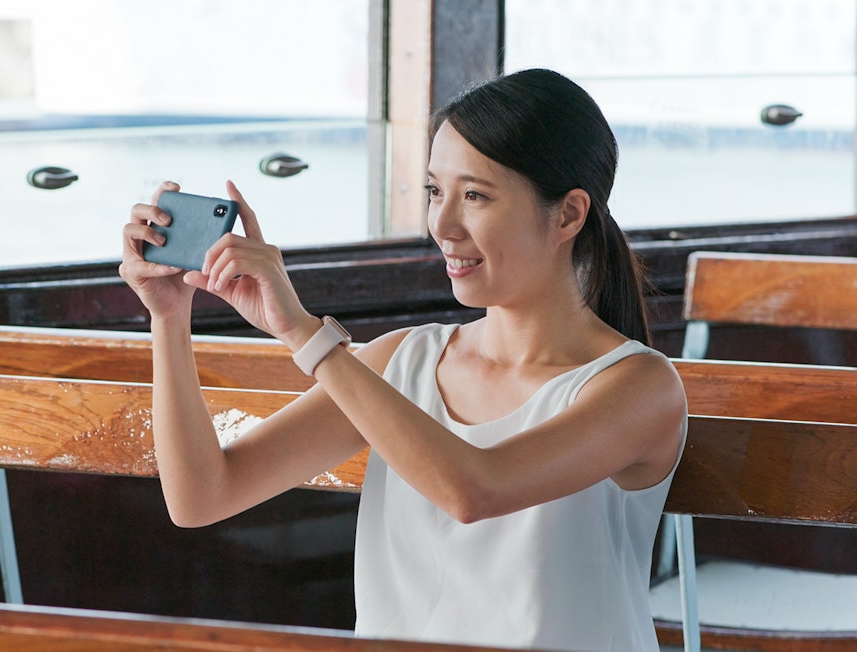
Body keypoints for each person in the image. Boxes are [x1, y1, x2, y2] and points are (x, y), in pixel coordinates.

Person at [120, 68, 687, 652]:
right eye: (434, 191)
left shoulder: (639, 387)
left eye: (475, 195)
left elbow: (474, 489)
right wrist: (169, 316)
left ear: (568, 214)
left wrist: (306, 337)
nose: (441, 225)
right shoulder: (403, 360)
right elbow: (201, 497)